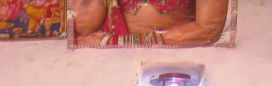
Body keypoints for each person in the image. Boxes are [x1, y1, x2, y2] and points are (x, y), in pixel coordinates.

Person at [71, 0, 229, 46]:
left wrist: (115, 42)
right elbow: (83, 29)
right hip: (109, 66)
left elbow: (209, 31)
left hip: (176, 60)